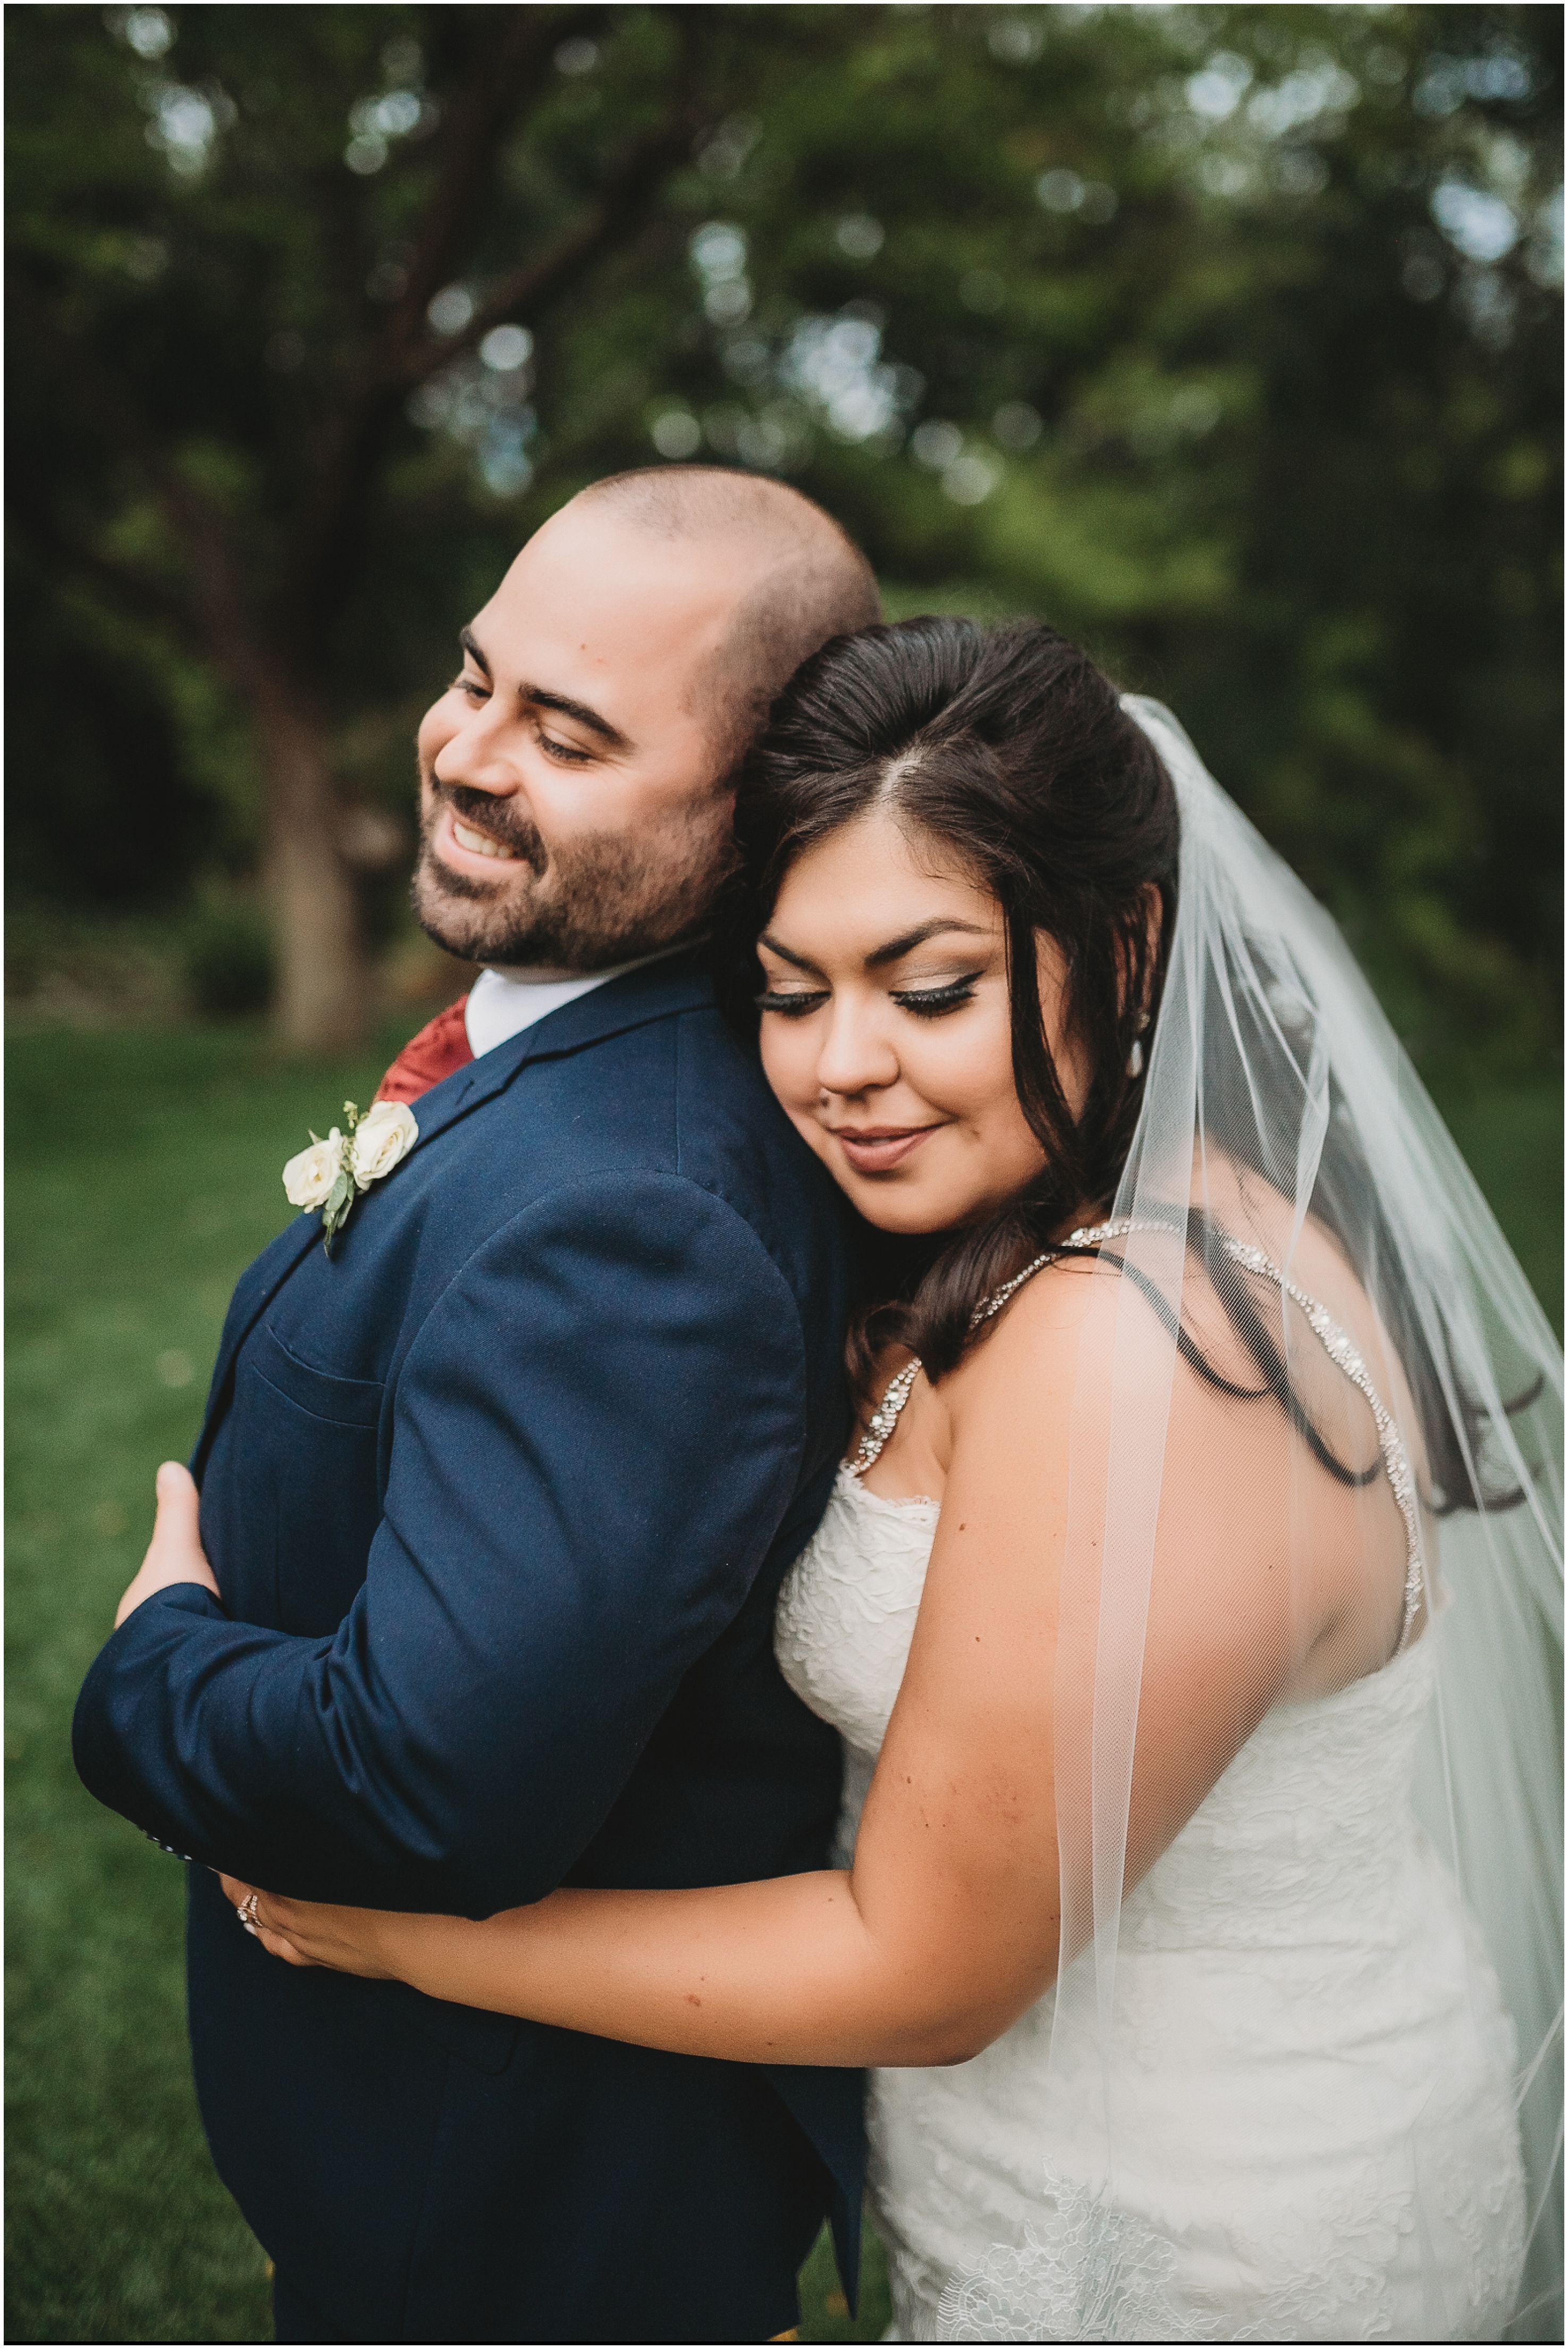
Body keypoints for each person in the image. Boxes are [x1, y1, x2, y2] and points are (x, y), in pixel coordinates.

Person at [209, 618, 1562, 2343]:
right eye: (789, 991)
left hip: (1204, 2227)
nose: (842, 1062)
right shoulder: (1169, 1211)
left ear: (1129, 947)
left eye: (930, 989)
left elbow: (926, 1968)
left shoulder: (1134, 1347)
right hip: (1083, 2156)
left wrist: (397, 1932)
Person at [71, 468, 886, 2346]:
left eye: (571, 732)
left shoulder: (645, 1211)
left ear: (763, 810)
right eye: (475, 675)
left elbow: (426, 1780)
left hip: (515, 2216)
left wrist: (152, 1667)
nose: (465, 750)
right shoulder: (567, 1044)